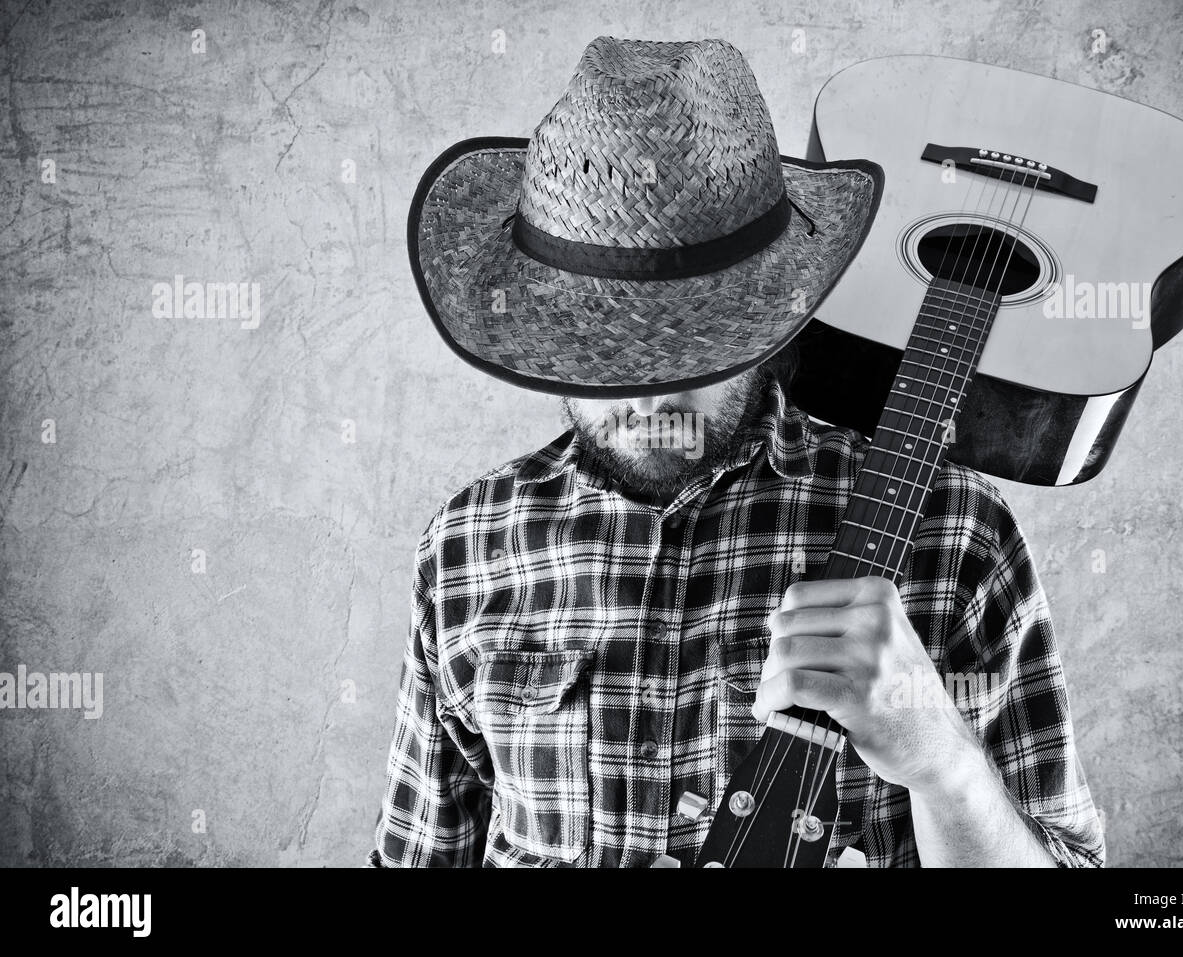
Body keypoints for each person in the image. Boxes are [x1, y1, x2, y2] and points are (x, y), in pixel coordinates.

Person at [369, 36, 1104, 868]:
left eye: (691, 338)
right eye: (601, 346)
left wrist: (941, 761)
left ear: (772, 316)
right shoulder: (465, 547)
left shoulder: (956, 531)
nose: (648, 397)